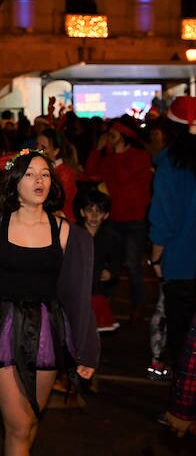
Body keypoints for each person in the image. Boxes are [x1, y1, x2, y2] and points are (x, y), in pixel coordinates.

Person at [0, 149, 99, 456]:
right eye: (30, 174)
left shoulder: (67, 232)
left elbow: (77, 295)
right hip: (3, 327)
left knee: (30, 422)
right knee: (18, 425)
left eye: (44, 174)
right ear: (14, 183)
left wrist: (87, 351)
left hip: (47, 330)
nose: (39, 180)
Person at [84, 117, 153, 316]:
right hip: (112, 219)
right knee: (109, 263)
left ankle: (139, 302)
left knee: (132, 264)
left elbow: (123, 178)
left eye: (112, 135)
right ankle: (107, 301)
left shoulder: (139, 156)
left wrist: (116, 153)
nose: (109, 139)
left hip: (134, 220)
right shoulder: (109, 157)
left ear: (124, 137)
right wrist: (98, 150)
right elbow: (91, 171)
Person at [148, 96, 196, 376]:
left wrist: (156, 259)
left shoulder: (169, 165)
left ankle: (183, 406)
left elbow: (162, 219)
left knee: (181, 337)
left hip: (181, 264)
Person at [75, 187, 121, 332]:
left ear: (106, 215)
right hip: (75, 289)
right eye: (90, 211)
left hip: (97, 290)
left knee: (93, 330)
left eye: (99, 212)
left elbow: (117, 260)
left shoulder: (110, 238)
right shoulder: (73, 235)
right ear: (82, 212)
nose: (94, 216)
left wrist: (111, 272)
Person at [38, 127, 79, 223]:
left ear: (56, 151)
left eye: (43, 147)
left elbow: (61, 203)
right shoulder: (43, 168)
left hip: (61, 222)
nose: (38, 150)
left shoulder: (65, 172)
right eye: (37, 145)